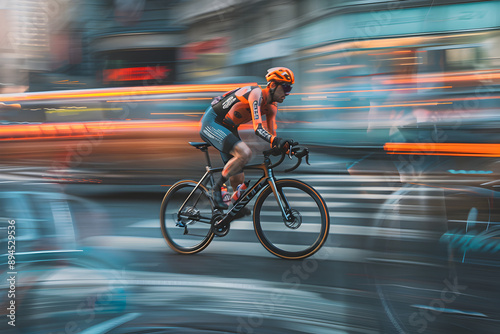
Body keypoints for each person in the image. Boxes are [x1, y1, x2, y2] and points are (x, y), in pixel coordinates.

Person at [200, 67, 296, 209]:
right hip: (212, 122)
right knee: (245, 153)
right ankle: (216, 189)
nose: (287, 93)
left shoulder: (272, 107)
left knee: (239, 183)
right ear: (273, 85)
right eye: (286, 88)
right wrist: (275, 141)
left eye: (290, 89)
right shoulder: (256, 94)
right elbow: (258, 129)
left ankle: (228, 213)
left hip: (229, 128)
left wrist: (288, 149)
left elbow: (272, 136)